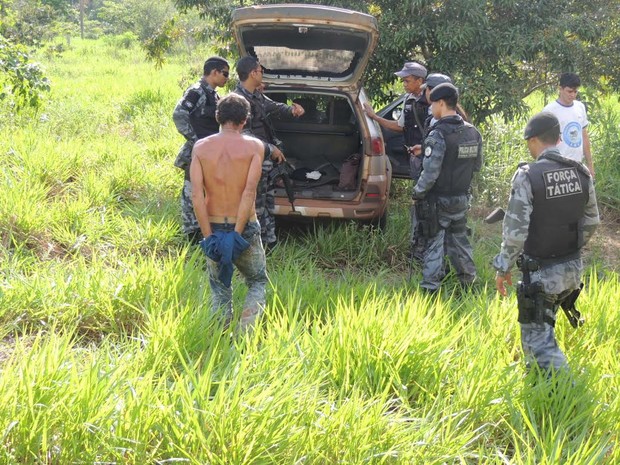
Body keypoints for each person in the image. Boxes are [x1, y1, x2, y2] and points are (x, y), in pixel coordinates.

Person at [494, 111, 599, 374]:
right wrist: (571, 246)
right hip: (573, 270)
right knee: (541, 335)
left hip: (540, 274)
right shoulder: (581, 172)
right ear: (559, 137)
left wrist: (503, 266)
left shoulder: (528, 175)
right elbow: (592, 220)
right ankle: (540, 388)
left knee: (539, 345)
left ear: (532, 140)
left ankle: (569, 395)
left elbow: (515, 232)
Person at [189, 93, 268, 331]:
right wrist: (237, 232)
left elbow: (197, 196)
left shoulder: (200, 148)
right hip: (245, 227)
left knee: (220, 288)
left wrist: (207, 236)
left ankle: (218, 336)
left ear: (217, 117)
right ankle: (246, 330)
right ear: (245, 120)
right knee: (257, 281)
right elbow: (249, 192)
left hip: (212, 226)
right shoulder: (255, 146)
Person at [411, 83, 483, 293]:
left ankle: (430, 290)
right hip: (460, 199)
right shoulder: (472, 132)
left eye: (432, 103)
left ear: (441, 103)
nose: (430, 108)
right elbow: (477, 166)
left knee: (434, 243)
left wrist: (417, 193)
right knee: (460, 242)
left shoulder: (438, 134)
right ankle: (469, 284)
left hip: (437, 201)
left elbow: (430, 173)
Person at [233, 56, 305, 249]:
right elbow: (242, 134)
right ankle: (254, 246)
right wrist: (270, 148)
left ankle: (269, 242)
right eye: (261, 70)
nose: (263, 74)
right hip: (250, 161)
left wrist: (292, 110)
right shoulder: (238, 101)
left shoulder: (255, 95)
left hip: (264, 159)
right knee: (255, 205)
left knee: (267, 201)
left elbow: (272, 106)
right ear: (252, 73)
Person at [173, 56, 230, 243]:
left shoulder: (213, 95)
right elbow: (179, 115)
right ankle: (191, 232)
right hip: (197, 152)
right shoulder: (197, 92)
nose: (227, 78)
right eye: (225, 73)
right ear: (214, 72)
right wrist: (196, 141)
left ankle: (203, 228)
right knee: (192, 191)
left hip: (211, 153)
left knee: (206, 191)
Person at [363, 61, 428, 181]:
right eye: (403, 81)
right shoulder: (408, 99)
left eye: (407, 81)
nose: (404, 84)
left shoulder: (431, 99)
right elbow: (400, 126)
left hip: (430, 153)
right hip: (416, 155)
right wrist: (375, 117)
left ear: (419, 81)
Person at [543, 72, 595, 177]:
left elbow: (584, 136)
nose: (573, 95)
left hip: (577, 165)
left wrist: (590, 164)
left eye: (575, 92)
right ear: (560, 89)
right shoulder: (549, 110)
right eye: (569, 91)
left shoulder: (580, 107)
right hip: (556, 166)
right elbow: (543, 141)